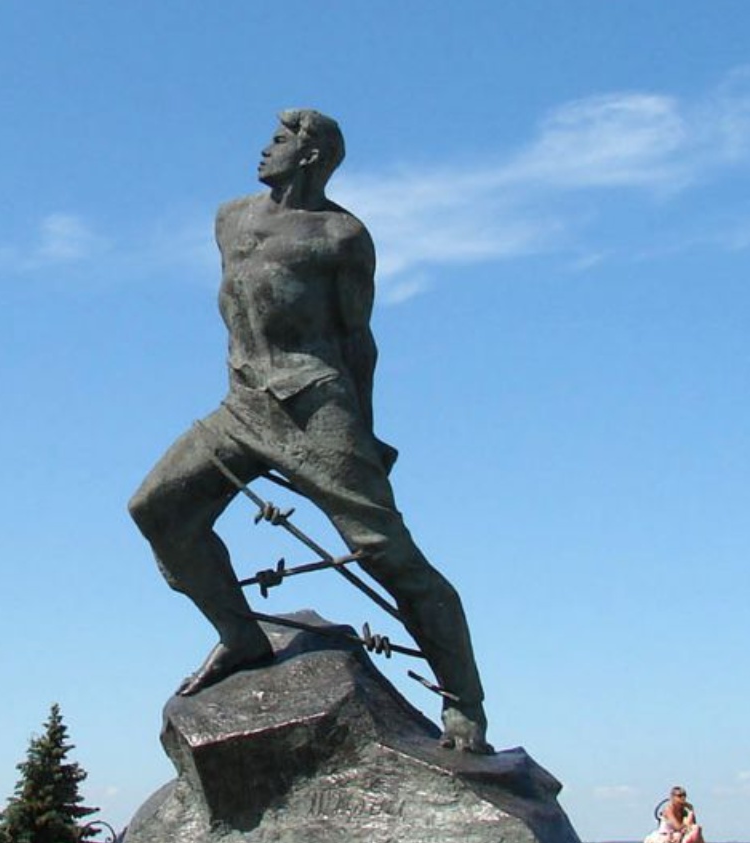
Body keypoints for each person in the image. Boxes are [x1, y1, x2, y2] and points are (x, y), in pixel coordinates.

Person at [127, 109, 490, 753]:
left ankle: (465, 704)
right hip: (243, 404)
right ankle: (241, 637)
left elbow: (358, 340)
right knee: (158, 509)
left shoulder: (341, 236)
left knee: (385, 552)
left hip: (315, 403)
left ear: (312, 155)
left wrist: (364, 433)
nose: (263, 149)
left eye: (279, 141)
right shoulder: (230, 218)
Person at [642, 786, 721, 843]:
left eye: (684, 796)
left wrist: (691, 812)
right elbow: (678, 827)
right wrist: (687, 824)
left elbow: (693, 827)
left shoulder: (684, 811)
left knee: (697, 829)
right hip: (668, 838)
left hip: (680, 837)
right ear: (672, 797)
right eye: (679, 796)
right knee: (696, 829)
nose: (682, 798)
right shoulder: (668, 809)